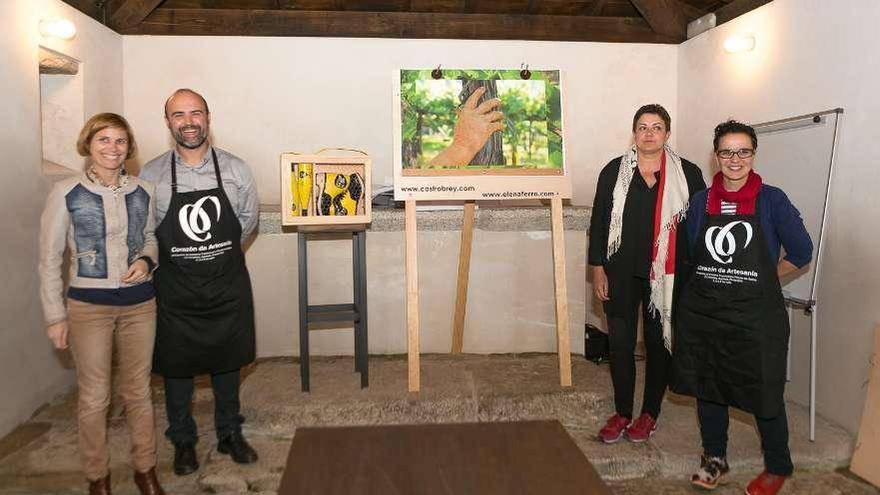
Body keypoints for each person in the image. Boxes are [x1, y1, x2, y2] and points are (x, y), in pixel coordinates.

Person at [673, 120, 812, 495]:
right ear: (716, 156)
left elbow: (802, 251)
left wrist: (767, 279)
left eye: (743, 151)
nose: (735, 159)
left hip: (756, 319)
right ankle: (714, 458)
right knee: (710, 386)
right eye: (727, 152)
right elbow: (692, 254)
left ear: (753, 154)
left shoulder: (773, 200)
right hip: (710, 315)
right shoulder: (700, 203)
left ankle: (778, 466)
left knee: (764, 390)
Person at [39, 113, 166, 495]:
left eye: (120, 141)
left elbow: (149, 239)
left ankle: (146, 470)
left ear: (129, 147)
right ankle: (98, 477)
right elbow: (49, 258)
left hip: (140, 304)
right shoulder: (66, 192)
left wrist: (146, 261)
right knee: (95, 397)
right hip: (88, 307)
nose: (113, 148)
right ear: (88, 145)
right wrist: (54, 316)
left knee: (139, 392)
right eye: (104, 140)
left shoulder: (144, 190)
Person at [140, 88, 259, 476]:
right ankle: (183, 441)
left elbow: (247, 222)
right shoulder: (151, 173)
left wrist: (217, 256)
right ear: (168, 122)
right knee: (177, 368)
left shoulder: (236, 169)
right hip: (175, 289)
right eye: (179, 115)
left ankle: (229, 433)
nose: (188, 122)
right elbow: (145, 231)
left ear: (208, 118)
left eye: (195, 113)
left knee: (228, 363)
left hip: (226, 285)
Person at [588, 104, 706, 443]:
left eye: (657, 127)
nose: (649, 133)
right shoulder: (614, 171)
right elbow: (599, 223)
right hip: (620, 273)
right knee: (620, 345)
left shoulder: (689, 174)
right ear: (634, 133)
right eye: (642, 127)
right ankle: (623, 412)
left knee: (659, 346)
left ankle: (649, 413)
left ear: (667, 134)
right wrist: (598, 268)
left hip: (668, 278)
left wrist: (697, 275)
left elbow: (700, 227)